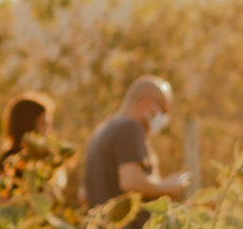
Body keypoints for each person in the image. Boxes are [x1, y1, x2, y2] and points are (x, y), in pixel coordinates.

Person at [80, 77, 191, 209]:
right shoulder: (129, 127)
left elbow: (83, 194)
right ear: (147, 103)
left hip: (101, 225)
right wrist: (169, 185)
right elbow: (131, 182)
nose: (164, 118)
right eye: (163, 110)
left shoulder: (100, 131)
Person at [0, 91, 56, 175]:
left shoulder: (49, 159)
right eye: (43, 124)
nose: (48, 130)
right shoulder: (8, 160)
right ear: (27, 126)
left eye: (49, 124)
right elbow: (2, 185)